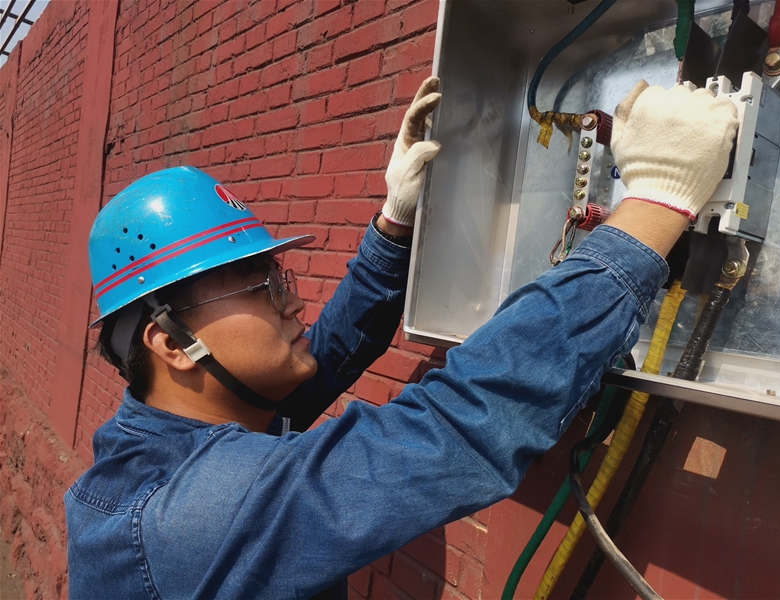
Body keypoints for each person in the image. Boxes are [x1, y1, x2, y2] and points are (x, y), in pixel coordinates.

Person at [65, 77, 737, 598]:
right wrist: (656, 202)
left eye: (279, 276)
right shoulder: (185, 516)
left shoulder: (197, 419)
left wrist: (394, 221)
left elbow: (328, 353)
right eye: (260, 287)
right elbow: (452, 430)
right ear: (172, 342)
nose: (292, 302)